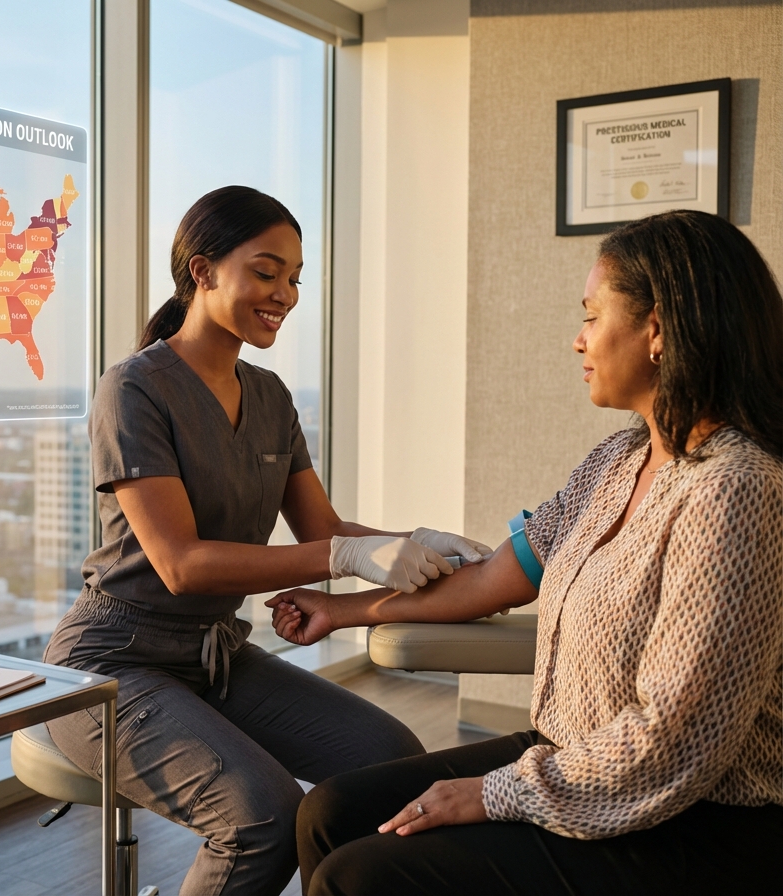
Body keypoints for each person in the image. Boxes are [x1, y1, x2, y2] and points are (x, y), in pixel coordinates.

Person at [268, 209, 783, 895]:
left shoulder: (735, 490)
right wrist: (343, 611)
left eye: (592, 316)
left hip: (696, 818)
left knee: (364, 876)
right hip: (575, 758)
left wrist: (492, 793)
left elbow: (672, 743)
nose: (578, 340)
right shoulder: (619, 460)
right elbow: (496, 579)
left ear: (657, 331)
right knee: (330, 814)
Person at [43, 185, 491, 896]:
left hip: (216, 657)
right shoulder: (133, 389)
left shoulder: (272, 397)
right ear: (203, 270)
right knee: (261, 817)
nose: (284, 292)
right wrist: (344, 558)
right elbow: (182, 565)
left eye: (294, 278)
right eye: (266, 270)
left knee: (388, 762)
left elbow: (326, 532)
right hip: (111, 667)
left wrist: (425, 542)